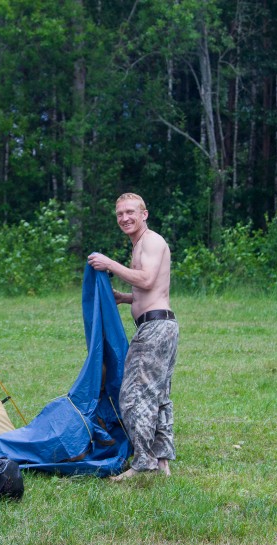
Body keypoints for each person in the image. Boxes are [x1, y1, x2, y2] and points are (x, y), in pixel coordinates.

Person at [87, 192, 178, 480]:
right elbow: (151, 289)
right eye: (119, 214)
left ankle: (143, 465)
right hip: (162, 325)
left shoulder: (150, 241)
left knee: (133, 394)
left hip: (154, 329)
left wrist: (109, 264)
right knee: (158, 395)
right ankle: (162, 462)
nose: (124, 218)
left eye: (130, 212)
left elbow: (148, 279)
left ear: (144, 214)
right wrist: (125, 298)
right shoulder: (142, 244)